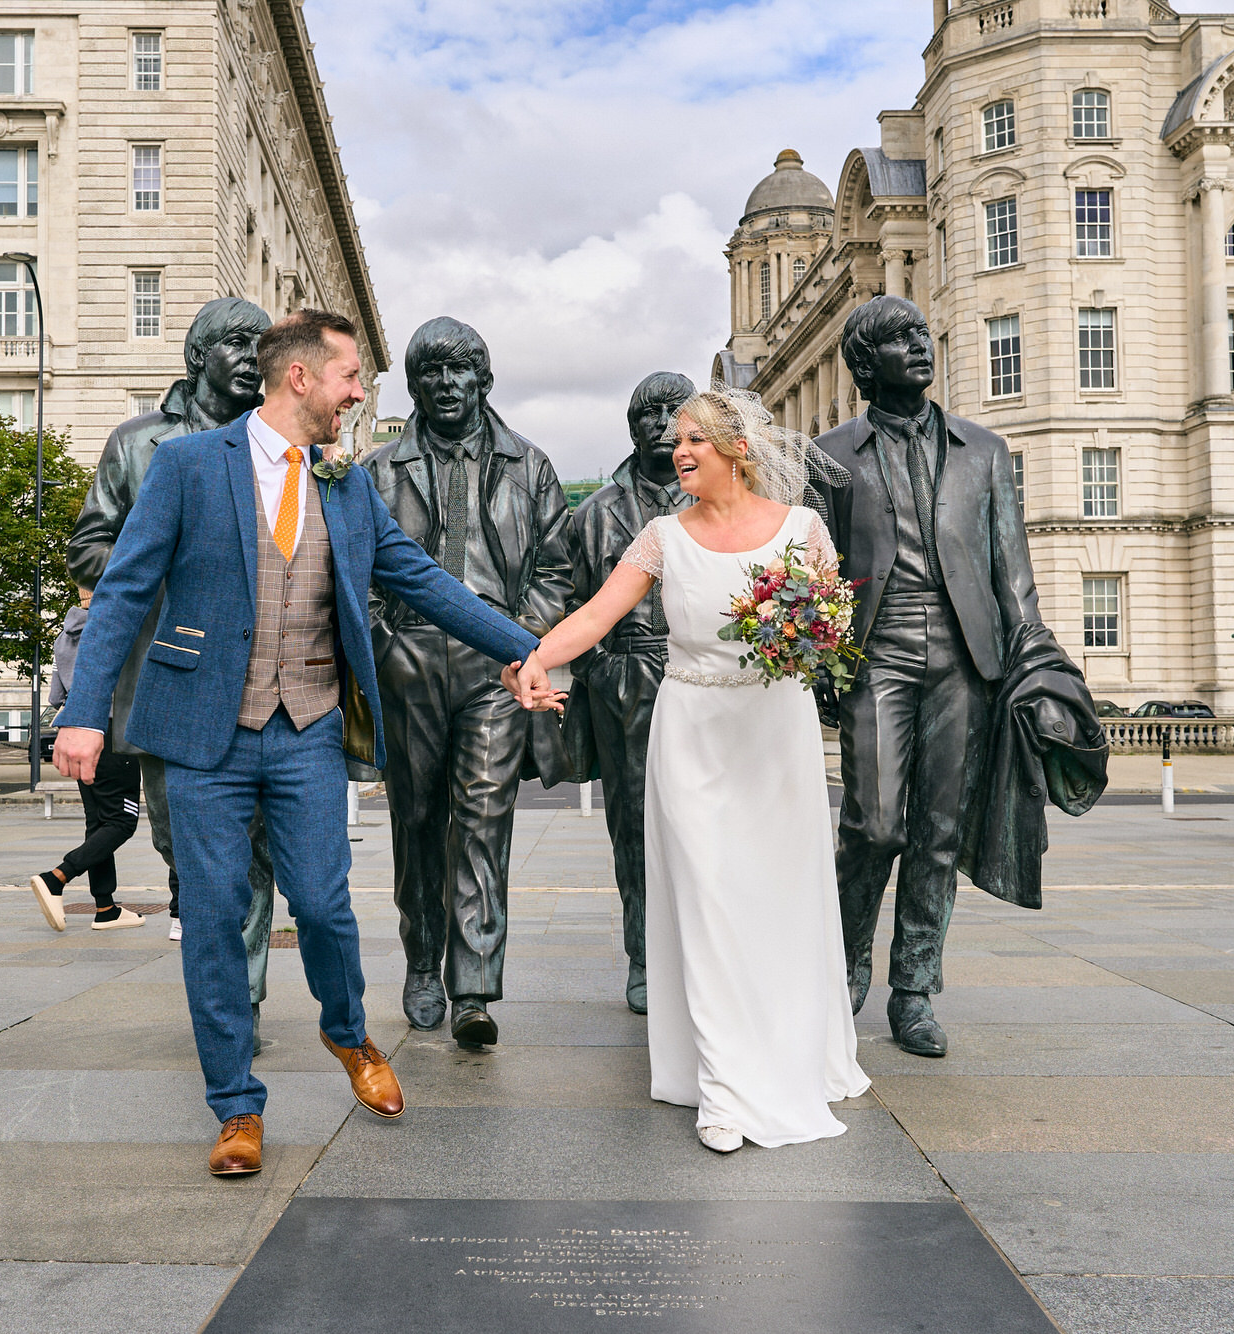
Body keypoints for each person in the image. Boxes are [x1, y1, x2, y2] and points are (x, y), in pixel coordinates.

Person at [53, 308, 543, 1179]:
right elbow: (123, 589)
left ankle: (348, 1034)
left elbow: (423, 580)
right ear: (302, 378)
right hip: (201, 735)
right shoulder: (186, 466)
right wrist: (84, 713)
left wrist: (528, 650)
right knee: (211, 919)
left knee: (323, 905)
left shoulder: (348, 485)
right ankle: (236, 1107)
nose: (361, 393)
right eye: (353, 377)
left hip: (308, 728)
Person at [508, 389, 868, 1153]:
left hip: (774, 731)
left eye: (697, 439)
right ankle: (725, 1089)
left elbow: (835, 623)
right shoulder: (662, 536)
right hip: (691, 730)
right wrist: (536, 656)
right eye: (678, 441)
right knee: (705, 897)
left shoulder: (802, 530)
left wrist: (808, 631)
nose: (681, 452)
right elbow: (595, 615)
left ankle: (794, 1047)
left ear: (739, 448)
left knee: (777, 896)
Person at [807, 296, 1040, 1060]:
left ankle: (913, 990)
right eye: (900, 339)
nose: (920, 345)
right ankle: (841, 973)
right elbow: (811, 571)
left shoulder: (985, 451)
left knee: (940, 830)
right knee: (874, 823)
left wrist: (1029, 658)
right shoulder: (830, 454)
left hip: (967, 656)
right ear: (866, 362)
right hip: (878, 649)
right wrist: (821, 668)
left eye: (921, 334)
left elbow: (1014, 570)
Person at [362, 317, 574, 1046]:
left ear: (483, 379)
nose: (447, 386)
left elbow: (555, 567)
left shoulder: (531, 466)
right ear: (415, 385)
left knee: (484, 822)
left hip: (496, 663)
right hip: (410, 657)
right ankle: (424, 962)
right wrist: (384, 640)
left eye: (460, 372)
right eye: (432, 373)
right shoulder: (380, 470)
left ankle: (475, 987)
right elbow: (351, 570)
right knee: (417, 823)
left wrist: (522, 639)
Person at [67, 298, 280, 1021]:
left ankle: (238, 1000)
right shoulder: (137, 445)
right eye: (239, 344)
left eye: (264, 344)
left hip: (260, 678)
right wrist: (172, 557)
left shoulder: (278, 444)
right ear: (198, 358)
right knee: (182, 846)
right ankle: (215, 951)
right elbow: (89, 548)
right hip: (168, 678)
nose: (256, 357)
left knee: (251, 848)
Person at [564, 371, 695, 1014]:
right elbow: (566, 598)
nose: (662, 422)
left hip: (707, 680)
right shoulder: (594, 513)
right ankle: (643, 956)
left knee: (705, 829)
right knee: (635, 828)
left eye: (675, 410)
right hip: (627, 684)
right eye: (648, 411)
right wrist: (601, 672)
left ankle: (701, 955)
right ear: (631, 426)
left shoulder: (725, 504)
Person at [29, 589, 144, 932]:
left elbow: (55, 695)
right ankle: (56, 878)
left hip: (78, 731)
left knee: (99, 822)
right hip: (112, 731)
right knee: (123, 822)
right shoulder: (118, 626)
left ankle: (106, 908)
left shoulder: (64, 635)